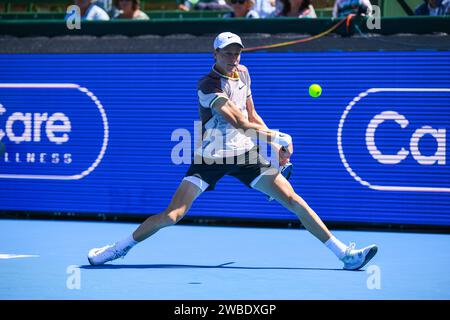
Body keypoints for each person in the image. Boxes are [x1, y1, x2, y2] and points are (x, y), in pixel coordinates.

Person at [87, 32, 378, 271]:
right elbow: (238, 121)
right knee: (172, 215)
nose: (233, 59)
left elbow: (251, 113)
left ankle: (344, 255)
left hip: (246, 154)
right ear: (215, 55)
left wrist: (273, 144)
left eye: (237, 53)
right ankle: (118, 249)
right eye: (227, 53)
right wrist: (278, 136)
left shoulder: (244, 74)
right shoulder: (208, 85)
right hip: (210, 157)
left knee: (292, 199)